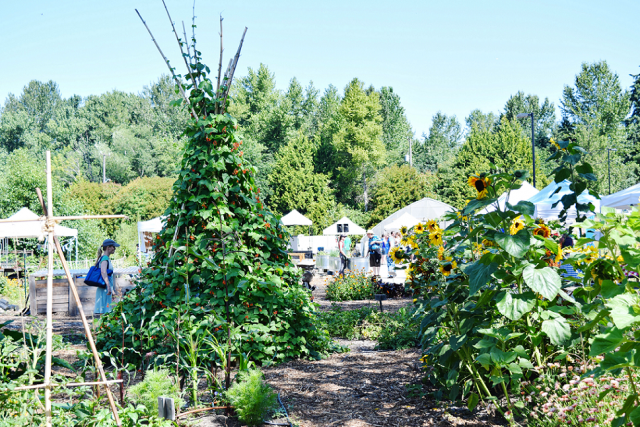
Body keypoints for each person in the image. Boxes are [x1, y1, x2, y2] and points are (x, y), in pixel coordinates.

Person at [94, 238, 120, 317]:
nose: (114, 249)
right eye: (113, 247)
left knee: (107, 312)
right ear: (108, 247)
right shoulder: (105, 258)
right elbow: (103, 272)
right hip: (105, 289)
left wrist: (113, 291)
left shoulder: (106, 258)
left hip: (107, 289)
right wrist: (109, 287)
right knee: (104, 312)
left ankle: (103, 328)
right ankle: (102, 328)